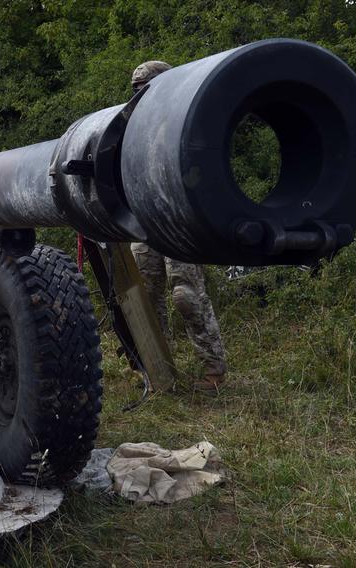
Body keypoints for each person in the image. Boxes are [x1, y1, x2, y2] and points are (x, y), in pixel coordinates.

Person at [129, 60, 228, 393]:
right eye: (136, 88)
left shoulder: (185, 121)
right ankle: (156, 370)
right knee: (144, 295)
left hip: (179, 221)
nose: (140, 95)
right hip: (142, 221)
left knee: (186, 293)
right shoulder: (130, 126)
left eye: (146, 87)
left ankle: (212, 370)